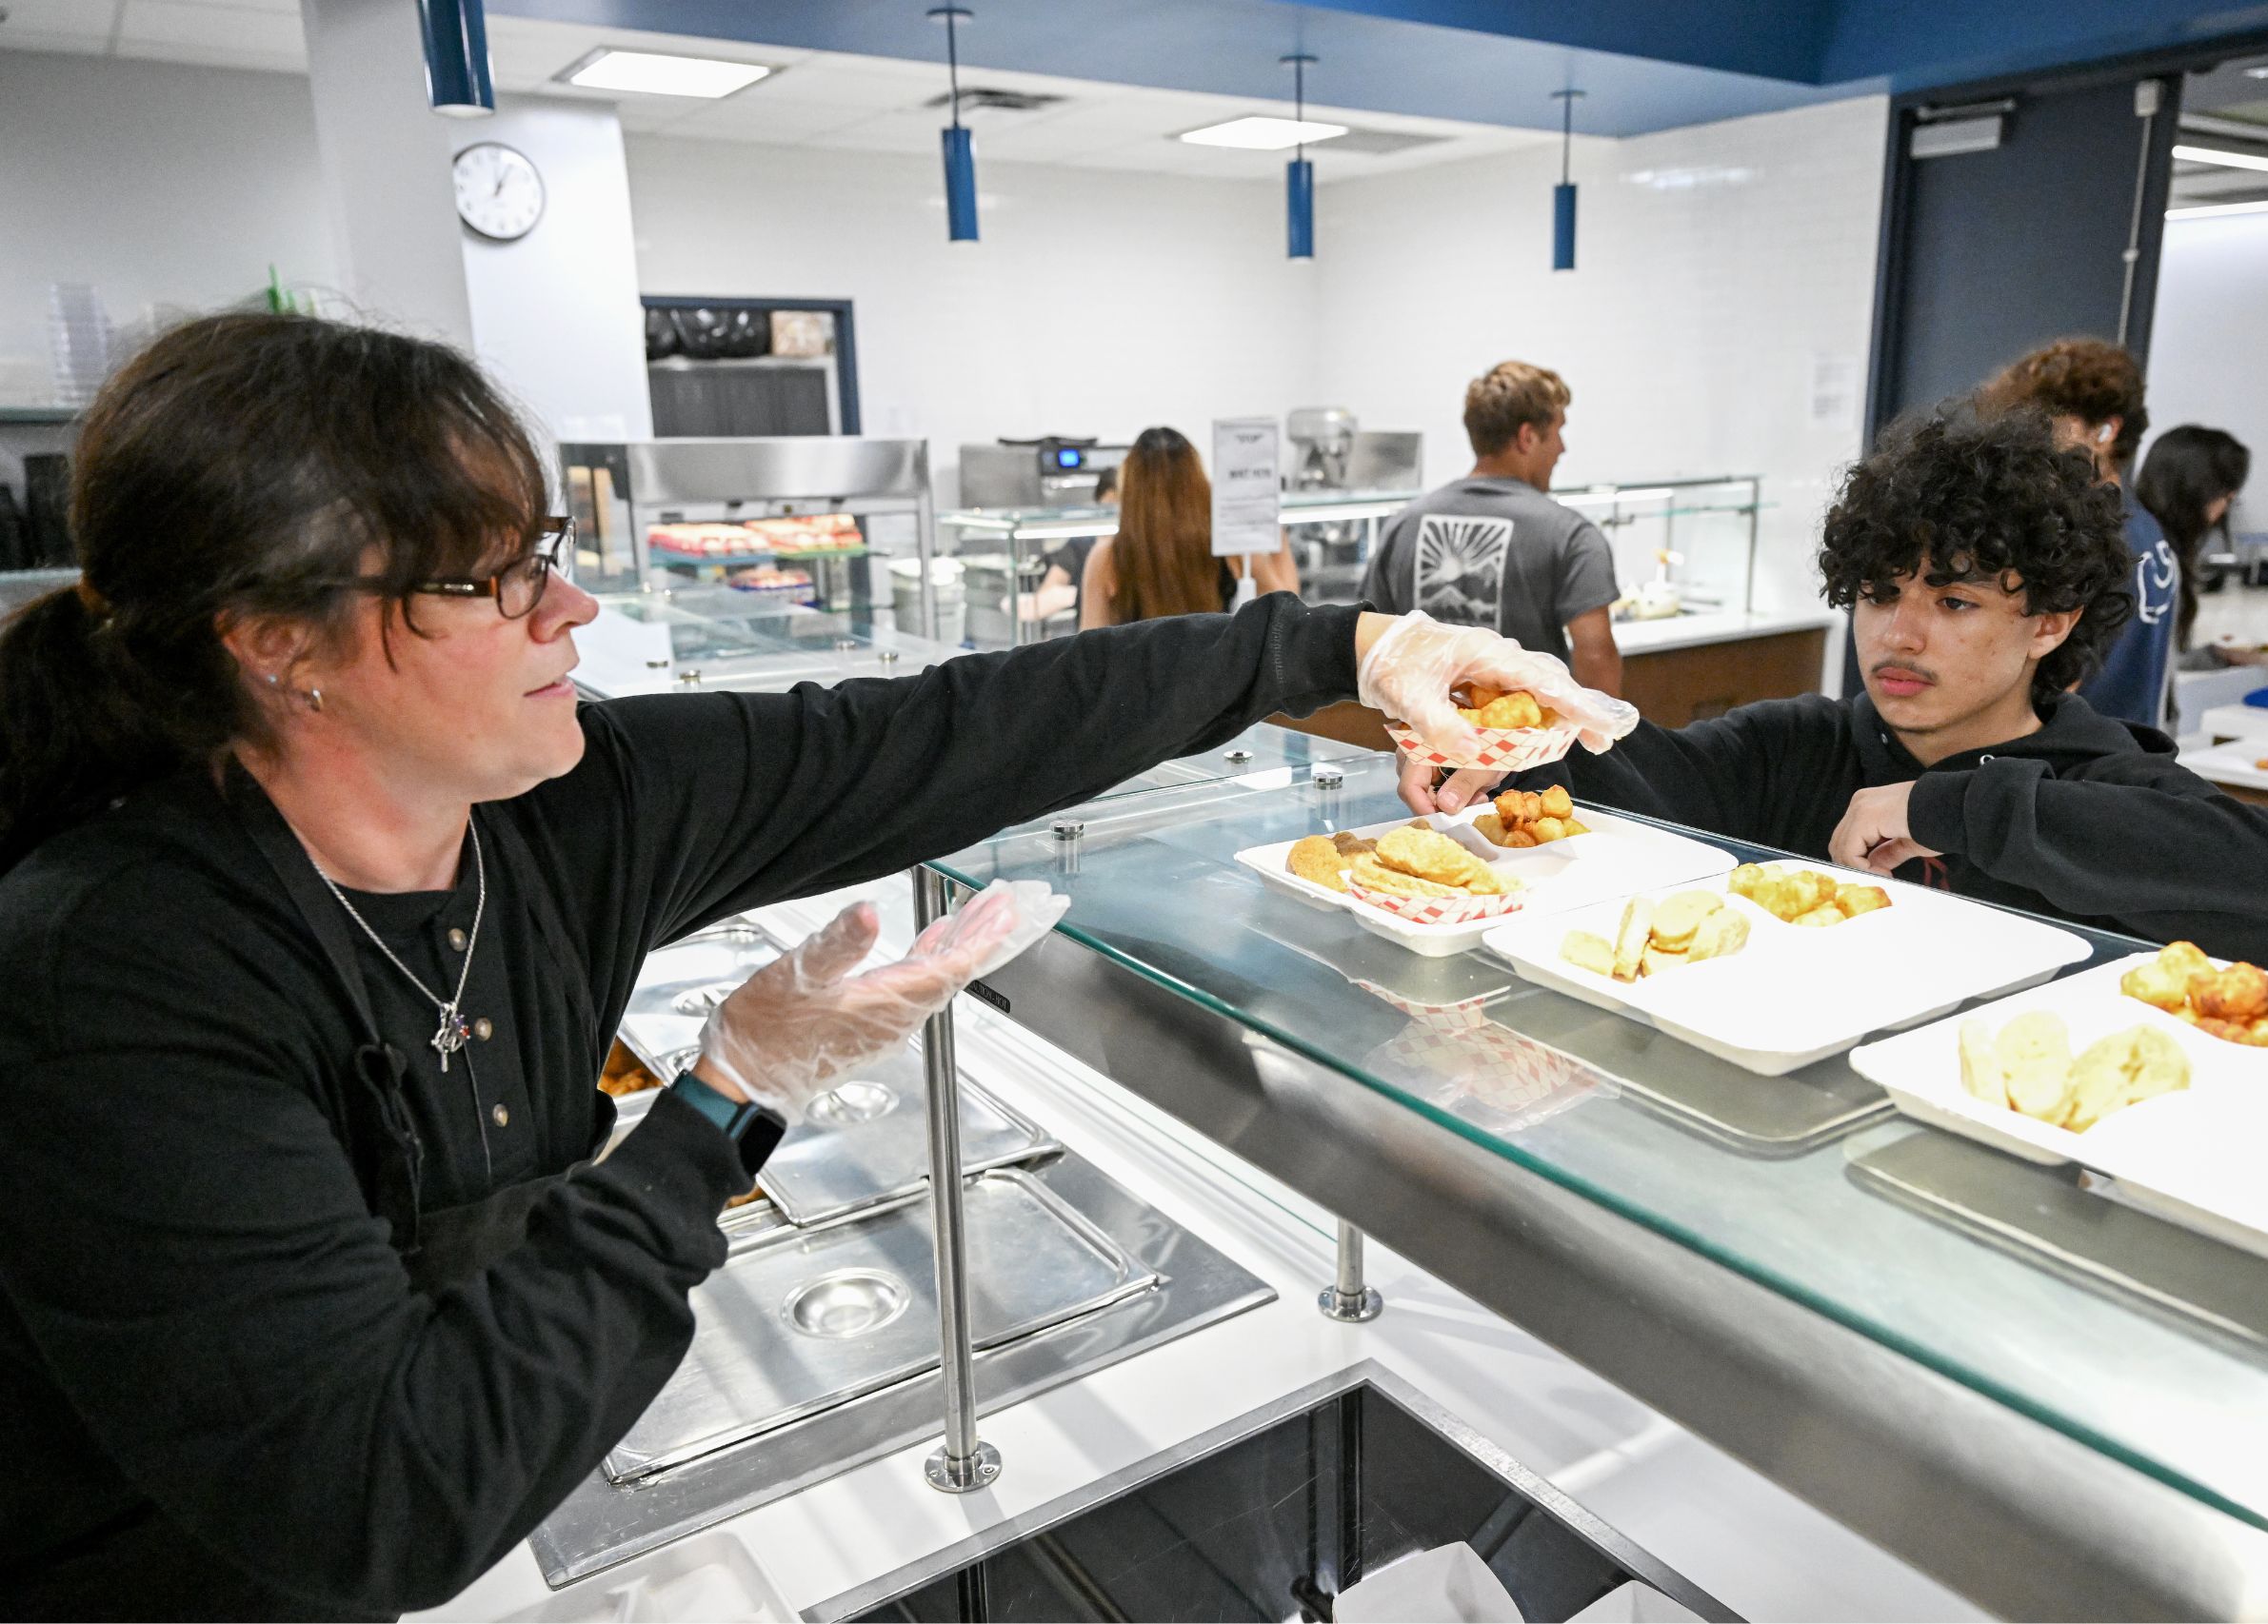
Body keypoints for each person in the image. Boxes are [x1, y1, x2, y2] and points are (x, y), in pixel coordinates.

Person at [0, 313, 1633, 1619]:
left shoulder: (562, 817)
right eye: (488, 577)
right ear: (272, 639)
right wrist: (726, 1101)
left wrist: (1341, 647)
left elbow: (940, 732)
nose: (568, 603)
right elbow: (384, 1492)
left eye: (547, 545)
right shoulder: (114, 977)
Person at [1408, 407, 2268, 977]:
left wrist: (1954, 805)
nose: (1898, 634)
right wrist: (1515, 728)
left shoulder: (2101, 780)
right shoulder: (1801, 748)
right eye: (1877, 594)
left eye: (1952, 600)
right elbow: (1644, 774)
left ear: (2050, 619)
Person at [1358, 360, 1623, 697]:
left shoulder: (1403, 525)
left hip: (1428, 741)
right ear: (1527, 437)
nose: (1562, 448)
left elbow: (1372, 637)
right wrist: (1594, 745)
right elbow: (1596, 654)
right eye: (1558, 432)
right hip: (1526, 742)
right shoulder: (1571, 535)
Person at [1980, 337, 2178, 729]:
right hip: (2130, 755)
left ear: (2106, 430)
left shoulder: (2089, 541)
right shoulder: (2148, 530)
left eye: (2047, 424)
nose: (2031, 442)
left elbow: (2057, 688)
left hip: (2077, 767)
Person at [1080, 426, 1298, 628]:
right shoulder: (1226, 547)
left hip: (1137, 671)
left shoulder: (1107, 558)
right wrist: (1268, 521)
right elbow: (1286, 611)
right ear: (1198, 484)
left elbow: (1088, 651)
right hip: (1216, 669)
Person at [2136, 425, 2252, 646]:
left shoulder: (2151, 539)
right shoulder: (2151, 555)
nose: (2222, 511)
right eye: (2226, 498)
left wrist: (2215, 656)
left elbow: (2162, 654)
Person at [1023, 465, 1119, 630]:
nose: (1114, 515)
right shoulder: (1080, 546)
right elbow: (1044, 599)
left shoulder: (1140, 549)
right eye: (1108, 508)